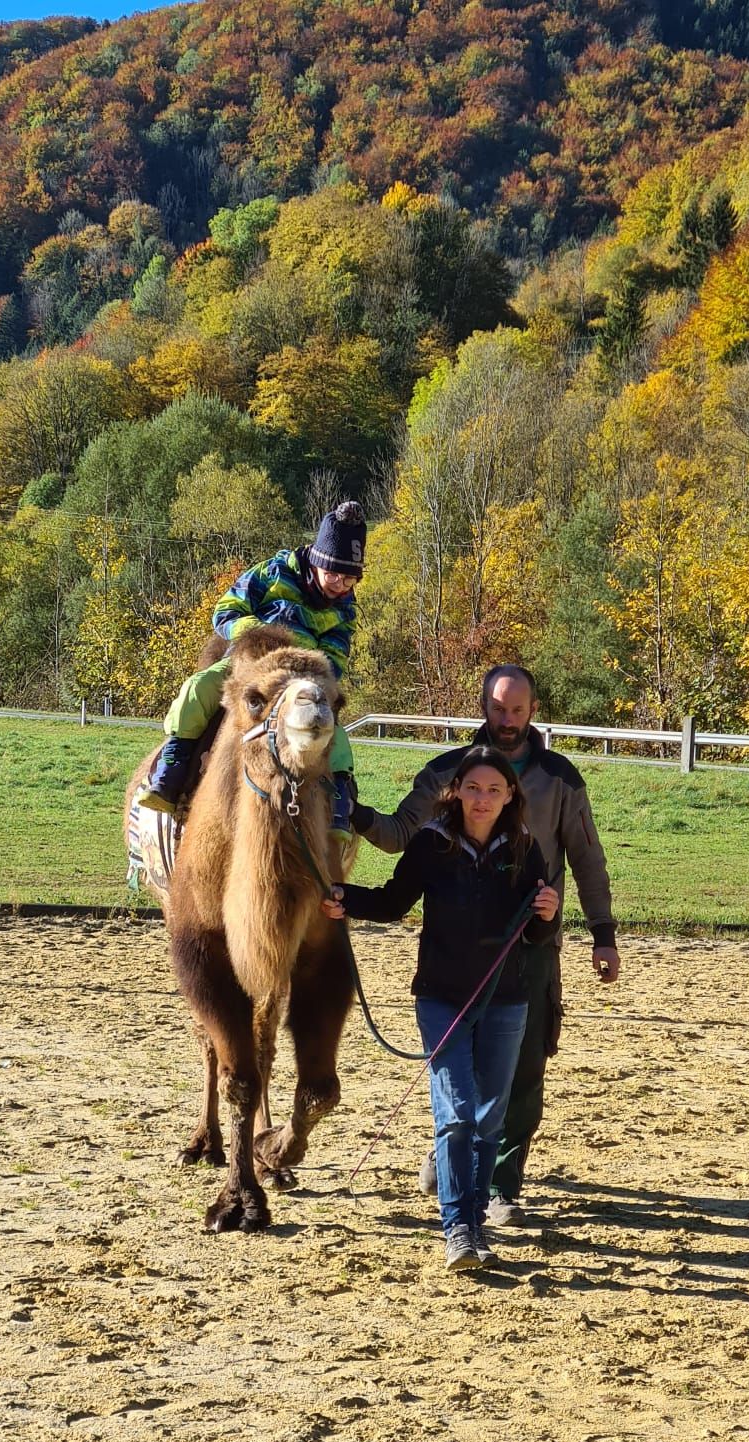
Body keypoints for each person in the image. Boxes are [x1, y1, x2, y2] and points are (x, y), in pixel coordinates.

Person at [350, 663, 619, 1222]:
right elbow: (401, 834)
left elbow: (587, 859)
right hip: (459, 945)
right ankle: (454, 1157)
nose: (507, 719)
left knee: (520, 1073)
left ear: (533, 710)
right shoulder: (451, 770)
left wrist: (603, 933)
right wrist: (354, 815)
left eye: (517, 709)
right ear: (483, 707)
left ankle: (501, 1184)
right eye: (498, 708)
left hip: (532, 946)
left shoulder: (561, 779)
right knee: (460, 1068)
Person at [322, 746, 560, 1271]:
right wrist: (342, 895)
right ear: (456, 792)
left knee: (489, 1114)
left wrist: (549, 911)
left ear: (510, 796)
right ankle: (457, 1228)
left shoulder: (525, 847)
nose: (482, 798)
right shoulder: (432, 844)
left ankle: (475, 1222)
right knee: (454, 1113)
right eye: (473, 788)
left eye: (493, 790)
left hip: (507, 998)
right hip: (441, 998)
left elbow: (537, 932)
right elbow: (390, 902)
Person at [137, 499, 367, 839]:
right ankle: (174, 762)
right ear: (316, 560)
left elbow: (336, 656)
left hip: (300, 679)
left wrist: (311, 666)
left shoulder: (345, 608)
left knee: (335, 731)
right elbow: (226, 610)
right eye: (332, 573)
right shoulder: (273, 573)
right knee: (198, 687)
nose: (339, 584)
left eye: (349, 578)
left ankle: (338, 799)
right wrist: (260, 639)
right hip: (249, 663)